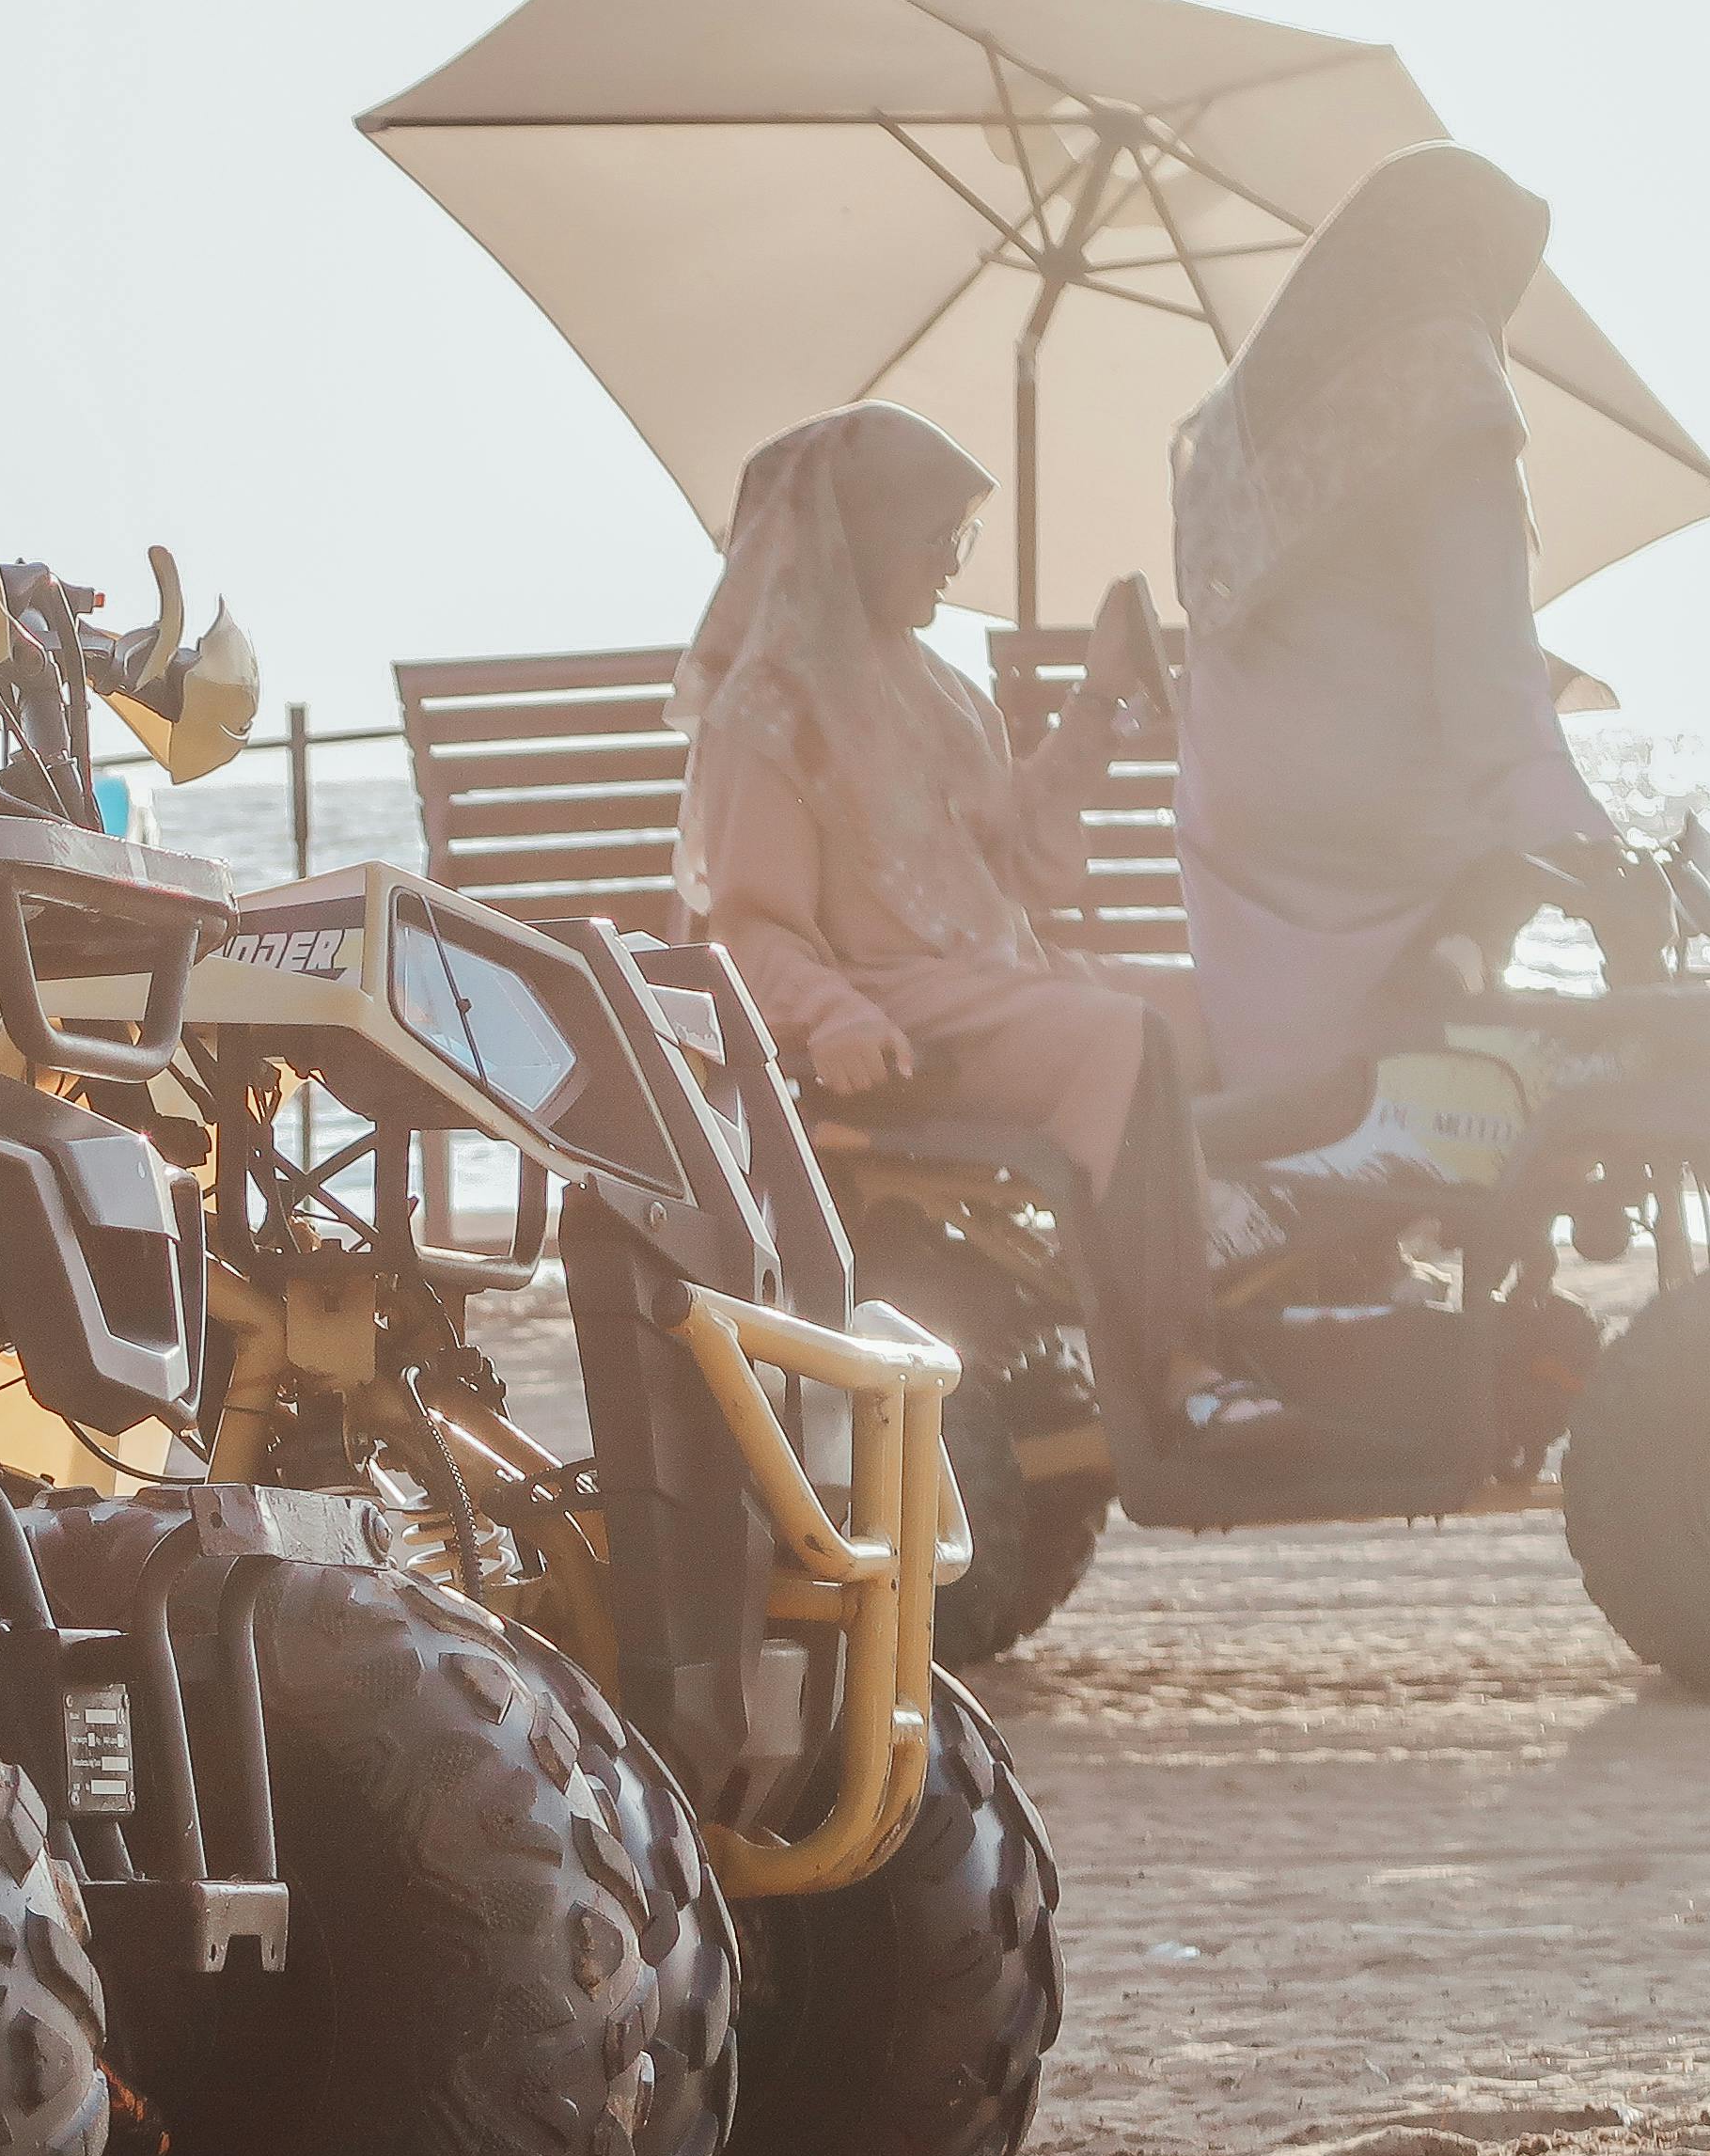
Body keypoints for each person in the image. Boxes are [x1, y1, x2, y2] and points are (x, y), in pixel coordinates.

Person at [672, 401, 1288, 1448]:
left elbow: (1010, 855)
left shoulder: (942, 693)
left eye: (962, 538)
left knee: (1221, 1006)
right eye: (934, 539)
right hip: (898, 1004)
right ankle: (1177, 1360)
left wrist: (1099, 704)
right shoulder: (767, 717)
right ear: (853, 542)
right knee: (1119, 1039)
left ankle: (1266, 1272)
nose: (952, 566)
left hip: (998, 975)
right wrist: (832, 1014)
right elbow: (749, 926)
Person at [1173, 143, 1622, 1110]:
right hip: (1366, 831)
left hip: (1235, 839)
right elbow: (1490, 678)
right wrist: (1590, 843)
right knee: (1532, 844)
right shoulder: (1444, 380)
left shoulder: (1243, 410)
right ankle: (1442, 1030)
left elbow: (1334, 627)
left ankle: (1379, 1097)